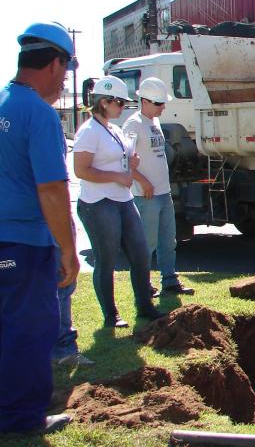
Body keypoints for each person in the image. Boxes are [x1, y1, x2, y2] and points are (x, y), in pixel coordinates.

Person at [0, 22, 80, 434]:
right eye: (66, 70)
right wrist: (68, 250)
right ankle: (21, 418)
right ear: (54, 63)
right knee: (29, 330)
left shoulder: (3, 103)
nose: (64, 80)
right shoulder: (38, 113)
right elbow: (51, 188)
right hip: (24, 244)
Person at [74, 75, 164, 328]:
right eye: (120, 103)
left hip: (123, 199)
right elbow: (81, 170)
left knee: (140, 253)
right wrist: (116, 176)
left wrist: (131, 163)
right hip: (98, 202)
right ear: (104, 102)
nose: (123, 107)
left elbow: (121, 160)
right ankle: (111, 315)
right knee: (106, 259)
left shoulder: (113, 129)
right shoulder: (89, 131)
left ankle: (144, 306)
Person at [122, 78, 193, 297]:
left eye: (163, 103)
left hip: (163, 192)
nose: (163, 107)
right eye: (159, 103)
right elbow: (124, 161)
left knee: (168, 241)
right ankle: (143, 285)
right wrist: (142, 181)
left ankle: (169, 280)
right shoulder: (133, 125)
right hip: (146, 196)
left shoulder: (154, 122)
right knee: (147, 243)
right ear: (144, 101)